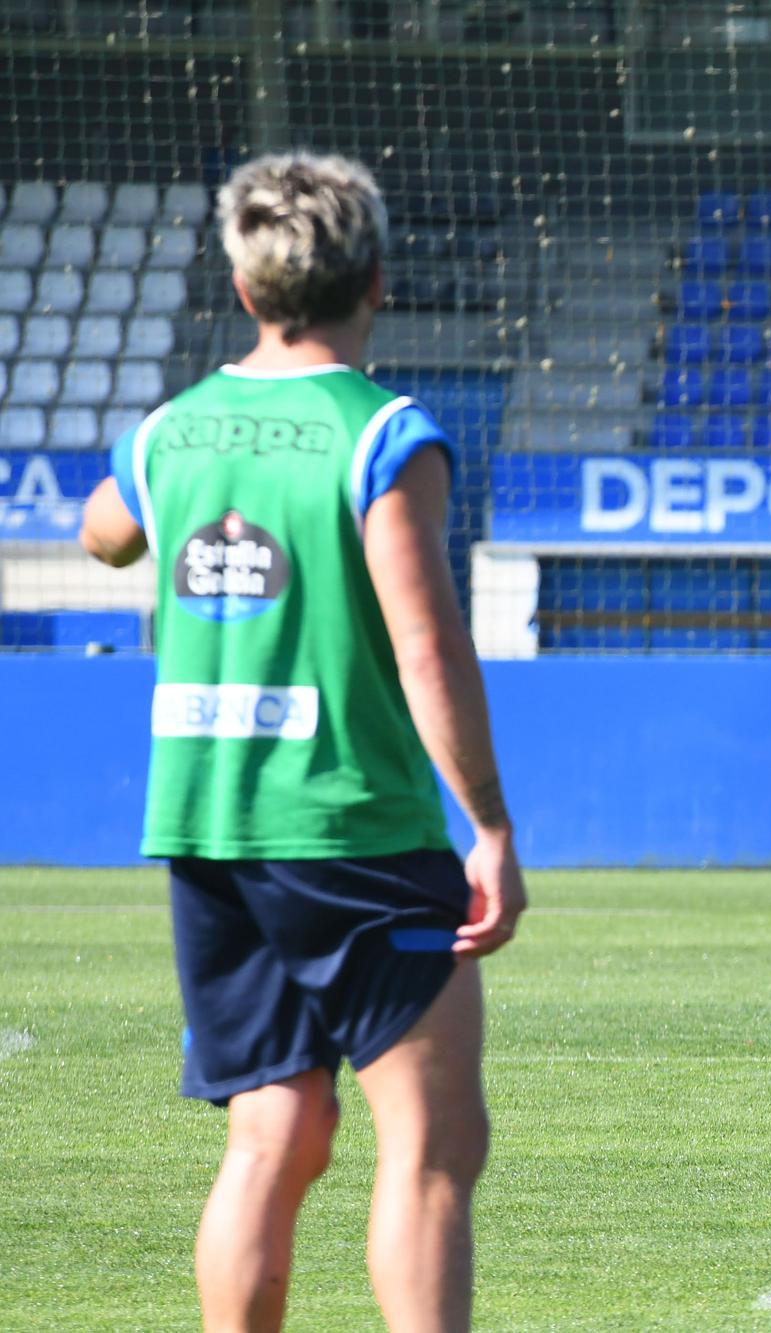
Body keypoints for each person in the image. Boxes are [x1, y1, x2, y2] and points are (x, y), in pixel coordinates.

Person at [78, 151, 526, 1331]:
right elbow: (426, 644)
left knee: (274, 1130)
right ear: (374, 280)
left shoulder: (173, 428)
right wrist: (486, 822)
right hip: (350, 823)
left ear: (240, 289)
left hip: (208, 824)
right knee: (429, 1142)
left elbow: (101, 534)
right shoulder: (382, 433)